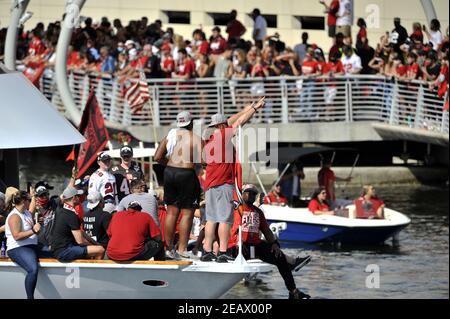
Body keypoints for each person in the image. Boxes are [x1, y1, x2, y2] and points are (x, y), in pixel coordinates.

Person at [201, 97, 266, 263]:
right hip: (223, 184)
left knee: (211, 219)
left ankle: (207, 251)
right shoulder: (223, 136)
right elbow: (239, 123)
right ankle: (223, 251)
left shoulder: (210, 139)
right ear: (222, 126)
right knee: (225, 220)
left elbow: (231, 120)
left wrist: (248, 106)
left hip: (210, 185)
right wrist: (254, 109)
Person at [228, 184, 311, 299]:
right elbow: (227, 228)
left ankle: (293, 291)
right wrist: (237, 243)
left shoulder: (258, 212)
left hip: (256, 245)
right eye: (248, 192)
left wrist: (274, 244)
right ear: (242, 193)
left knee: (280, 257)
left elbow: (266, 230)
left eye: (254, 193)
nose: (251, 195)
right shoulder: (236, 209)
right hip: (238, 246)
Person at [154, 111, 202, 259]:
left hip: (169, 172)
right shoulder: (196, 138)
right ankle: (182, 249)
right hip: (186, 174)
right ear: (191, 123)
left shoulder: (170, 135)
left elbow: (157, 157)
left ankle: (168, 249)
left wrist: (170, 164)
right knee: (187, 213)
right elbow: (206, 160)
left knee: (171, 212)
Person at [4, 191, 44, 299]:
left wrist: (33, 196)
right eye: (29, 200)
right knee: (33, 269)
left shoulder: (26, 212)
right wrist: (33, 231)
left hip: (31, 246)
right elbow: (17, 236)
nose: (30, 202)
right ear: (23, 201)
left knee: (54, 251)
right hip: (17, 248)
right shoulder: (14, 216)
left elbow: (32, 208)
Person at [50, 186, 105, 262]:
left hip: (57, 249)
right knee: (100, 250)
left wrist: (94, 243)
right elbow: (80, 241)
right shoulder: (71, 215)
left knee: (93, 248)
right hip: (63, 251)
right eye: (78, 196)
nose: (80, 198)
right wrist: (94, 245)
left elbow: (80, 233)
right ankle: (95, 273)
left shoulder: (59, 209)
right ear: (74, 198)